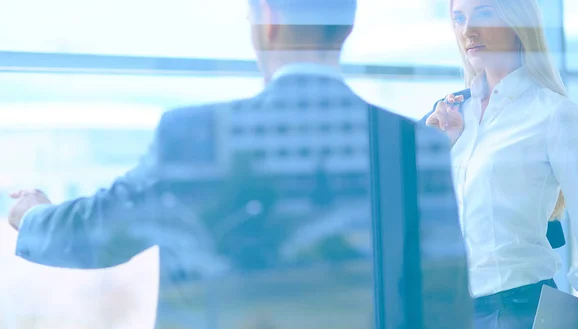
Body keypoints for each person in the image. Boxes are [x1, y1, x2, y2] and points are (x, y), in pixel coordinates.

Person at [6, 0, 469, 328]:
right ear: (346, 27)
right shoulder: (415, 146)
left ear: (266, 21)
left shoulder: (194, 134)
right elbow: (444, 305)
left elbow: (101, 231)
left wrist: (33, 215)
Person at [423, 0, 578, 328]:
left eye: (484, 12)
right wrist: (438, 148)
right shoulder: (453, 116)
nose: (467, 30)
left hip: (519, 313)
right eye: (459, 18)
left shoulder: (554, 114)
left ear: (518, 22)